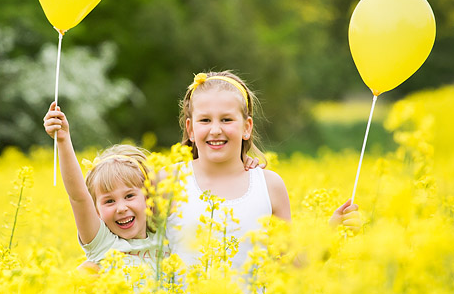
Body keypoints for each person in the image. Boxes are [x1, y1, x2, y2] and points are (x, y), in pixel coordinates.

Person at [167, 71, 360, 273]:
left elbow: (291, 264)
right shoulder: (167, 181)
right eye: (205, 120)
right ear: (190, 129)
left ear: (246, 127)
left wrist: (331, 235)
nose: (215, 129)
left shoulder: (269, 186)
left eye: (226, 120)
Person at [43, 102, 165, 279]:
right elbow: (78, 197)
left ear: (148, 198)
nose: (121, 208)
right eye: (109, 201)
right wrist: (63, 140)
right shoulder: (103, 245)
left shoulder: (167, 237)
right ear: (96, 210)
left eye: (129, 196)